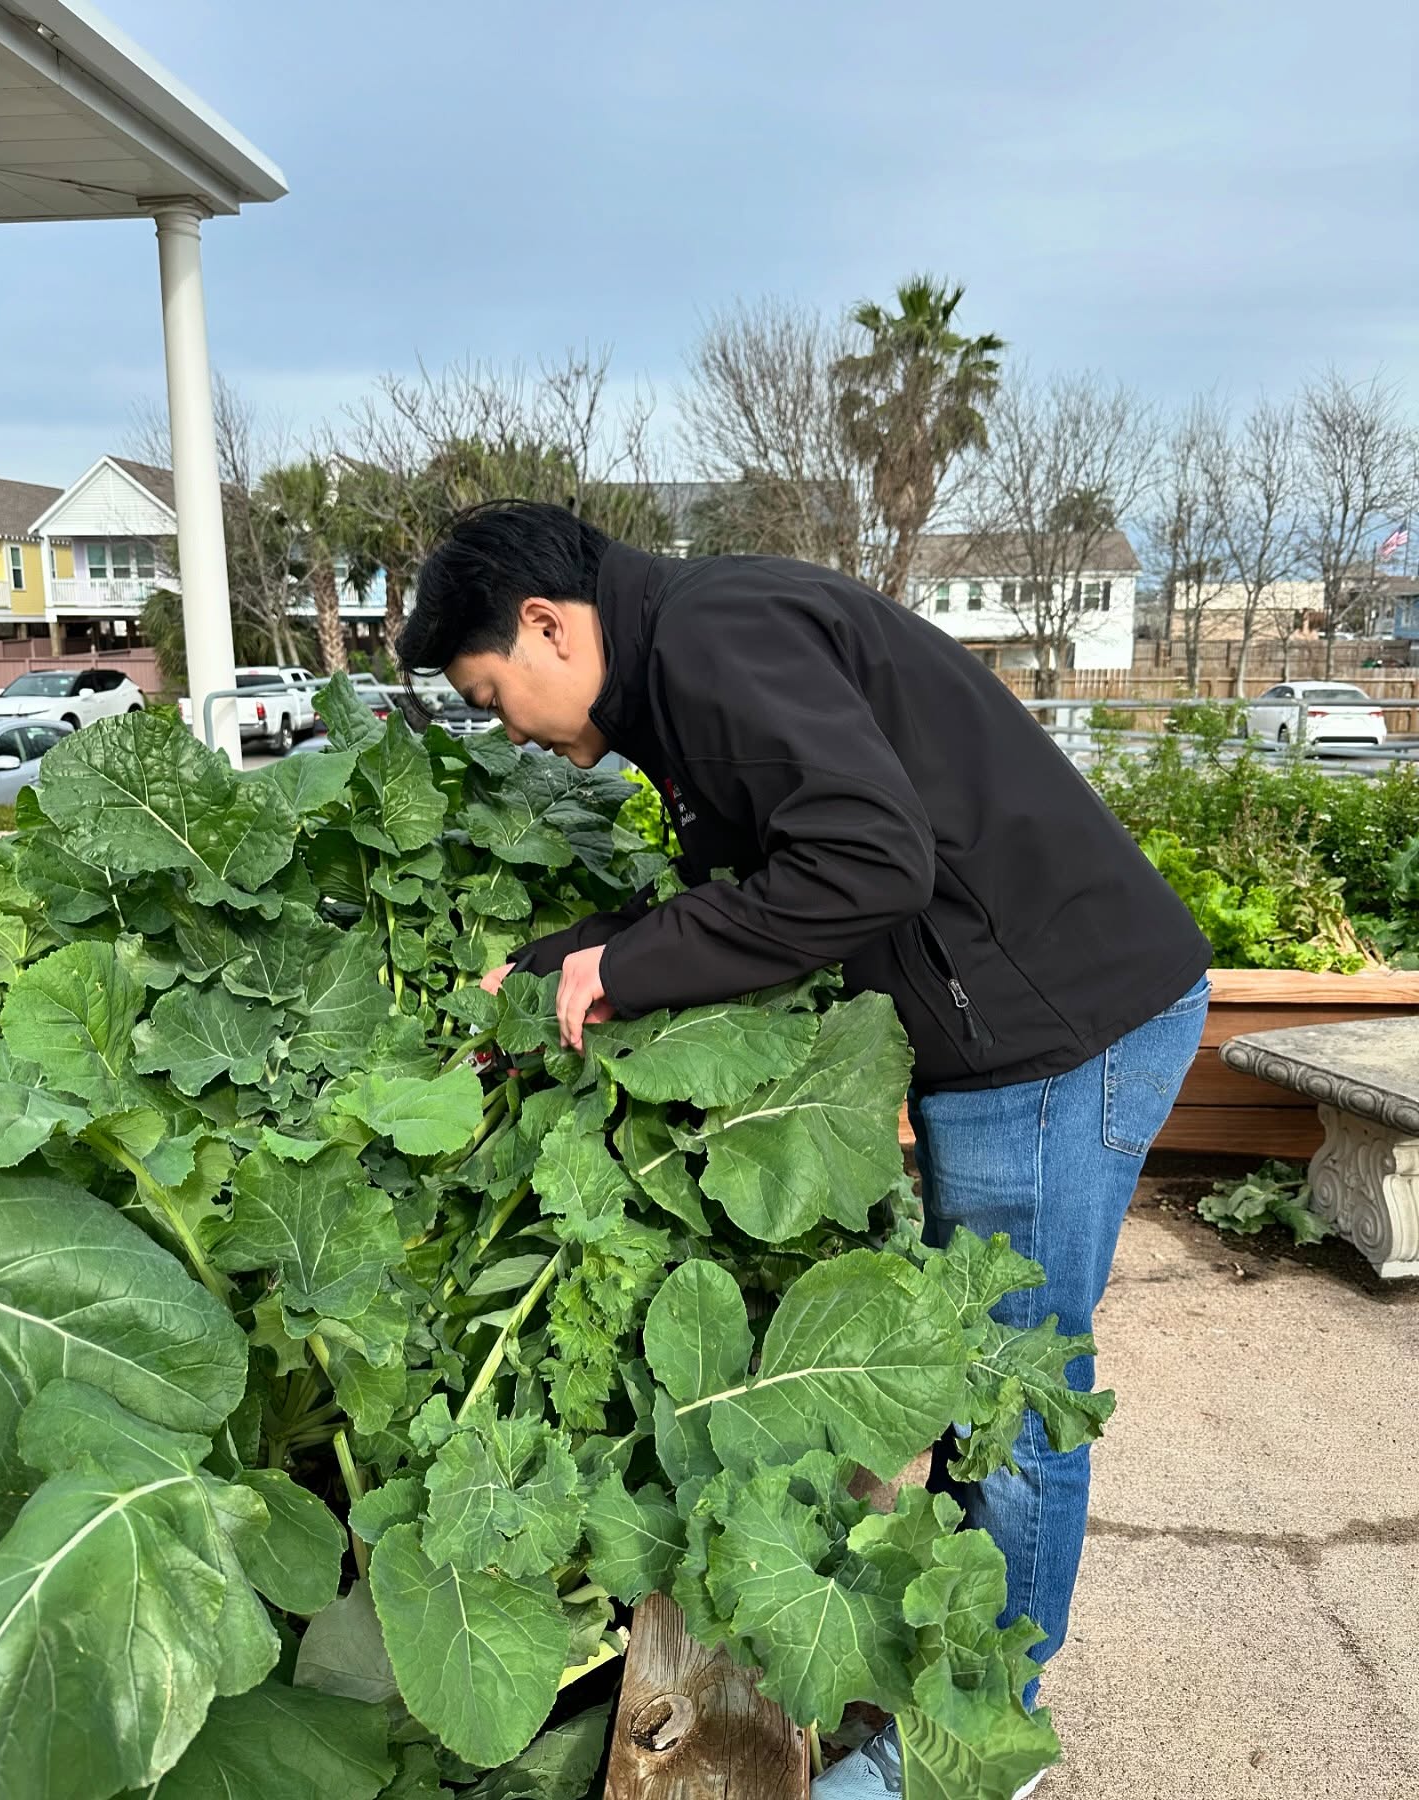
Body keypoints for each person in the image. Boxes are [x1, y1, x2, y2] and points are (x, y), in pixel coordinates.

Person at [397, 500, 1211, 1798]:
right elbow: (744, 897)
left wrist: (629, 964)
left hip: (1059, 1031)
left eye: (496, 696)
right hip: (1010, 1025)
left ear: (547, 627)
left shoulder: (717, 641)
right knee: (976, 1374)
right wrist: (549, 973)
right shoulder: (686, 662)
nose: (511, 731)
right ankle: (956, 1694)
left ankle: (968, 1751)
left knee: (1011, 1400)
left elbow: (863, 861)